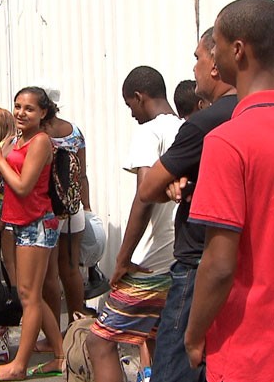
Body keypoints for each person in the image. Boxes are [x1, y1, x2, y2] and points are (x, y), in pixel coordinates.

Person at [183, 0, 274, 382]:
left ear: (237, 50)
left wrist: (193, 334)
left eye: (215, 44)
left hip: (248, 351)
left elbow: (219, 265)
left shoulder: (228, 141)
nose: (211, 55)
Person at [138, 28, 236, 382]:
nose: (193, 67)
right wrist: (184, 182)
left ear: (217, 62)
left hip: (197, 262)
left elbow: (147, 187)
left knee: (174, 367)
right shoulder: (247, 114)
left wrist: (168, 182)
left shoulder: (204, 124)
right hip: (242, 265)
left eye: (198, 58)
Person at [86, 66, 182, 382]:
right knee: (155, 337)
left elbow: (144, 196)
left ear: (139, 98)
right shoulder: (186, 128)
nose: (131, 115)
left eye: (130, 106)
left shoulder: (149, 131)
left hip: (149, 263)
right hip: (178, 260)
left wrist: (123, 258)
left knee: (99, 340)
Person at [0, 87, 64, 380]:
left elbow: (22, 186)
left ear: (43, 113)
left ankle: (18, 366)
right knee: (32, 295)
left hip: (36, 224)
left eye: (29, 108)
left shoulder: (41, 141)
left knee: (28, 296)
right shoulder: (18, 139)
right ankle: (59, 356)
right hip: (20, 223)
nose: (20, 112)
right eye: (17, 106)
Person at [39, 86, 91, 332]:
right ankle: (76, 326)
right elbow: (82, 175)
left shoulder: (37, 133)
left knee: (49, 275)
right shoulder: (75, 132)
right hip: (73, 211)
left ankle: (52, 337)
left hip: (47, 210)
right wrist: (86, 206)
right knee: (71, 270)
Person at [0, 107, 18, 285]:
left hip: (7, 215)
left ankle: (19, 303)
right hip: (4, 213)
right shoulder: (10, 144)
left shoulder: (3, 150)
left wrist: (0, 223)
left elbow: (9, 189)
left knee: (11, 262)